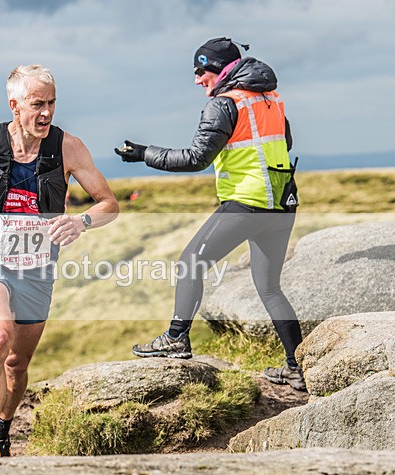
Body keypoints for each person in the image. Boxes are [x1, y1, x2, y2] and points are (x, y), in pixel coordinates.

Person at [0, 65, 119, 457]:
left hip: (36, 270)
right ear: (15, 106)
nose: (46, 112)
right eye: (37, 104)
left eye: (51, 103)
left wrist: (81, 222)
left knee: (17, 364)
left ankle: (3, 427)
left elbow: (109, 204)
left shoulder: (68, 148)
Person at [115, 38, 305, 391]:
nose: (197, 79)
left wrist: (144, 153)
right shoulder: (270, 98)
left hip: (247, 203)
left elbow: (195, 158)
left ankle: (176, 338)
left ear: (218, 69)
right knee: (269, 289)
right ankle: (296, 368)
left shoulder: (224, 103)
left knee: (189, 263)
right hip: (281, 204)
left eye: (200, 71)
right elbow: (285, 143)